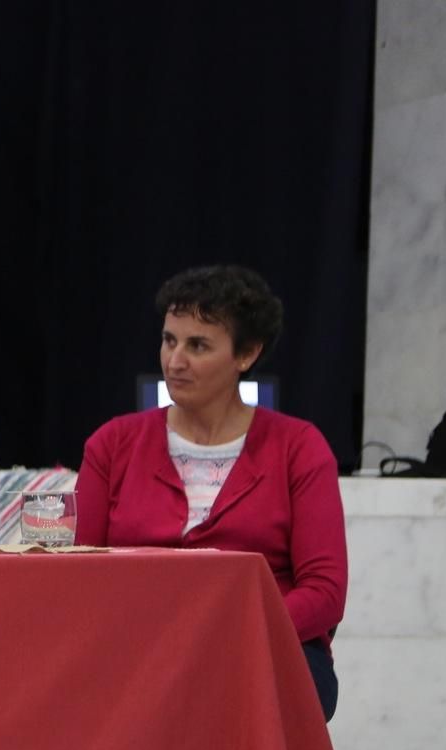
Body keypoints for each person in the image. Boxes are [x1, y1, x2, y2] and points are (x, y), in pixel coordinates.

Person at [76, 264, 346, 719]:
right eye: (169, 341)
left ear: (247, 354)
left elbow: (324, 591)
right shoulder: (112, 443)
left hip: (265, 644)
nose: (174, 361)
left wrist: (229, 632)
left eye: (197, 345)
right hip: (138, 642)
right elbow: (79, 572)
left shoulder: (299, 447)